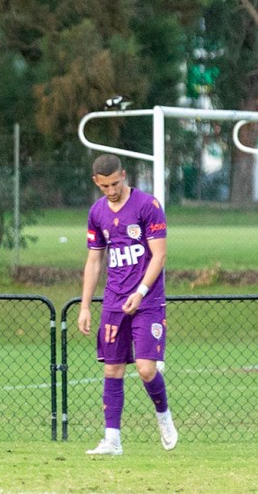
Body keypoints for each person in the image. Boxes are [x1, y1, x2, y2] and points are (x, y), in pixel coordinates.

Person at [76, 154, 177, 456]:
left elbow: (159, 255)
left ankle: (164, 417)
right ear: (96, 181)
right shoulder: (97, 212)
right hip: (113, 302)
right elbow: (94, 261)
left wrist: (142, 291)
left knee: (146, 369)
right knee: (112, 370)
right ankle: (112, 440)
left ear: (124, 175)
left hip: (147, 301)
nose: (111, 190)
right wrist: (84, 306)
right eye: (104, 185)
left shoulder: (148, 206)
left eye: (115, 183)